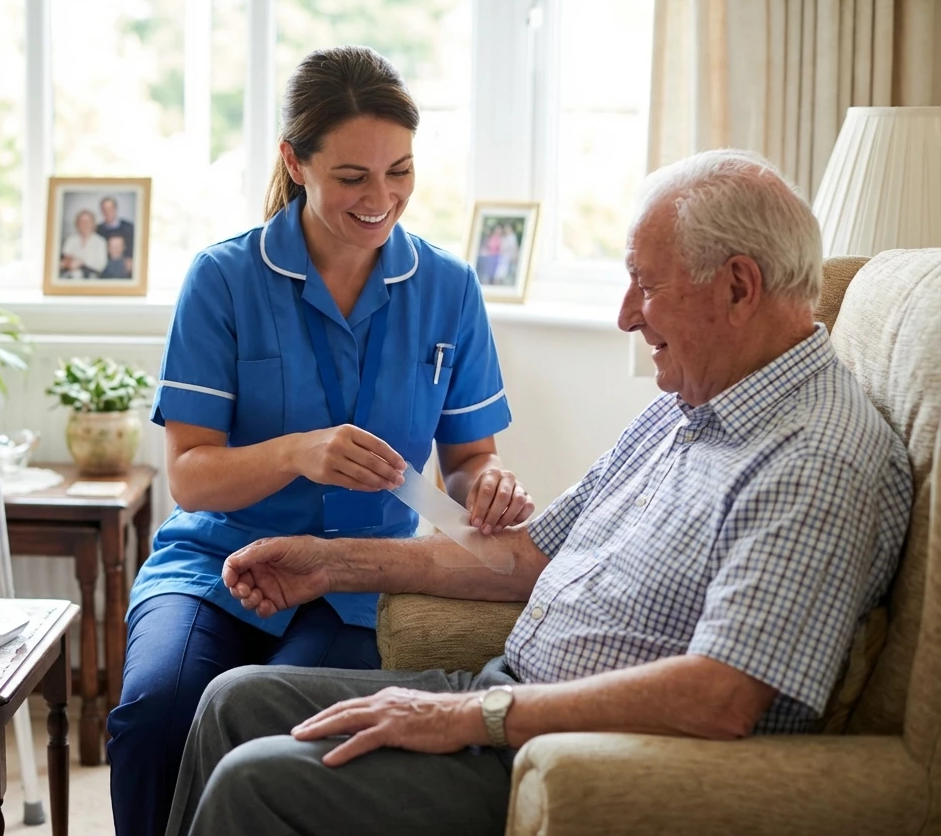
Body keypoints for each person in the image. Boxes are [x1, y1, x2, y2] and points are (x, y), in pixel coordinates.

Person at [164, 149, 915, 835]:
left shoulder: (814, 458)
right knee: (232, 699)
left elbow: (720, 697)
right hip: (508, 693)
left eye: (646, 286)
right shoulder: (688, 407)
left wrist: (469, 715)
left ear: (739, 286)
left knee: (255, 783)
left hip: (567, 748)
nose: (625, 315)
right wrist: (333, 565)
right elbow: (523, 557)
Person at [108, 45, 532, 836]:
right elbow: (192, 478)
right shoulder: (223, 280)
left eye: (400, 171)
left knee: (275, 739)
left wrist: (491, 489)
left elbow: (470, 464)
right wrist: (298, 452)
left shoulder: (449, 288)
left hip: (356, 580)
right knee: (156, 714)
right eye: (352, 177)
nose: (382, 199)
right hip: (216, 565)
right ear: (295, 163)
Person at [60, 209, 108, 278]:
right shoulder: (71, 240)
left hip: (91, 278)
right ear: (77, 224)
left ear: (93, 224)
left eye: (88, 222)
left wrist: (81, 262)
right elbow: (66, 259)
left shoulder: (100, 241)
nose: (85, 224)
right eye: (81, 222)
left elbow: (101, 264)